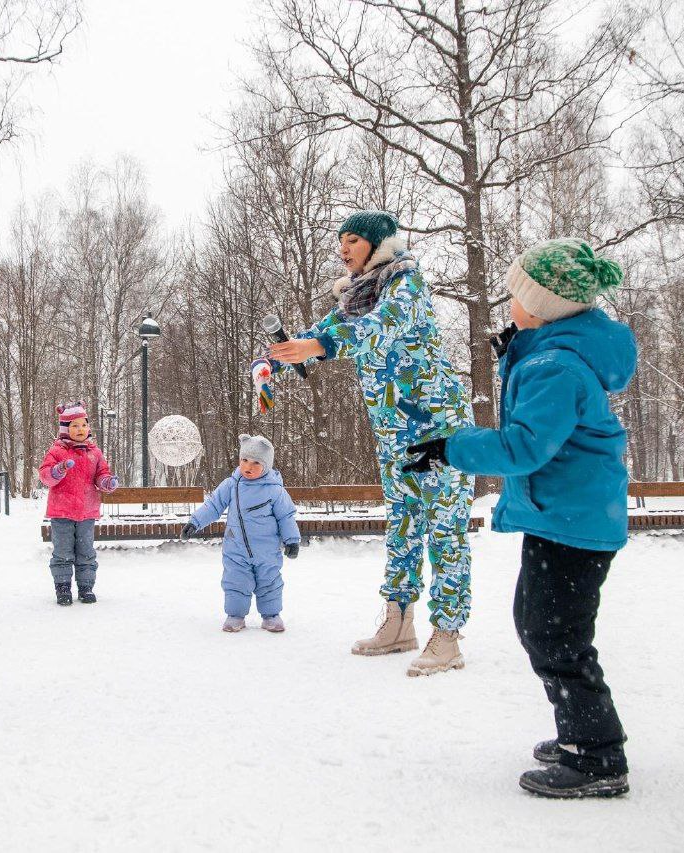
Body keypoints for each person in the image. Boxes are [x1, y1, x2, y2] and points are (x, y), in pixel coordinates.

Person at [405, 237, 635, 798]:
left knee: (555, 635)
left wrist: (448, 446)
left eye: (515, 295)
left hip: (572, 523)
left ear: (542, 306)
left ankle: (598, 757)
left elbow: (525, 445)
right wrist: (518, 348)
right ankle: (580, 734)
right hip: (567, 518)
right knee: (542, 626)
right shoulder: (556, 354)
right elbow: (538, 401)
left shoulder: (556, 368)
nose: (508, 303)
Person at [266, 211, 474, 676]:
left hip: (439, 427)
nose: (344, 248)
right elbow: (321, 335)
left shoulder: (407, 284)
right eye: (340, 241)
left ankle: (448, 634)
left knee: (444, 530)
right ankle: (398, 624)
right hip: (393, 431)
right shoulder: (354, 298)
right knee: (402, 525)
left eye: (353, 240)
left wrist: (319, 347)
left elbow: (381, 327)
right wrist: (274, 361)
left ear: (377, 243)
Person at [180, 435, 301, 633]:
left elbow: (286, 516)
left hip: (267, 550)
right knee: (236, 580)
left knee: (269, 581)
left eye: (256, 463)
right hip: (235, 547)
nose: (248, 466)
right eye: (244, 460)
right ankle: (235, 615)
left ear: (267, 465)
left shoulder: (275, 490)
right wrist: (195, 522)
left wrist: (292, 540)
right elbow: (213, 505)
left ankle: (271, 615)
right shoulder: (231, 485)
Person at [39, 403, 119, 606]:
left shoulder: (95, 453)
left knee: (86, 553)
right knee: (63, 552)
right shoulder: (57, 451)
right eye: (74, 426)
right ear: (65, 429)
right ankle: (63, 587)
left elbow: (101, 475)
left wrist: (107, 482)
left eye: (83, 425)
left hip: (87, 513)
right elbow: (46, 476)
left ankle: (86, 587)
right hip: (62, 513)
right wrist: (58, 470)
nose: (80, 429)